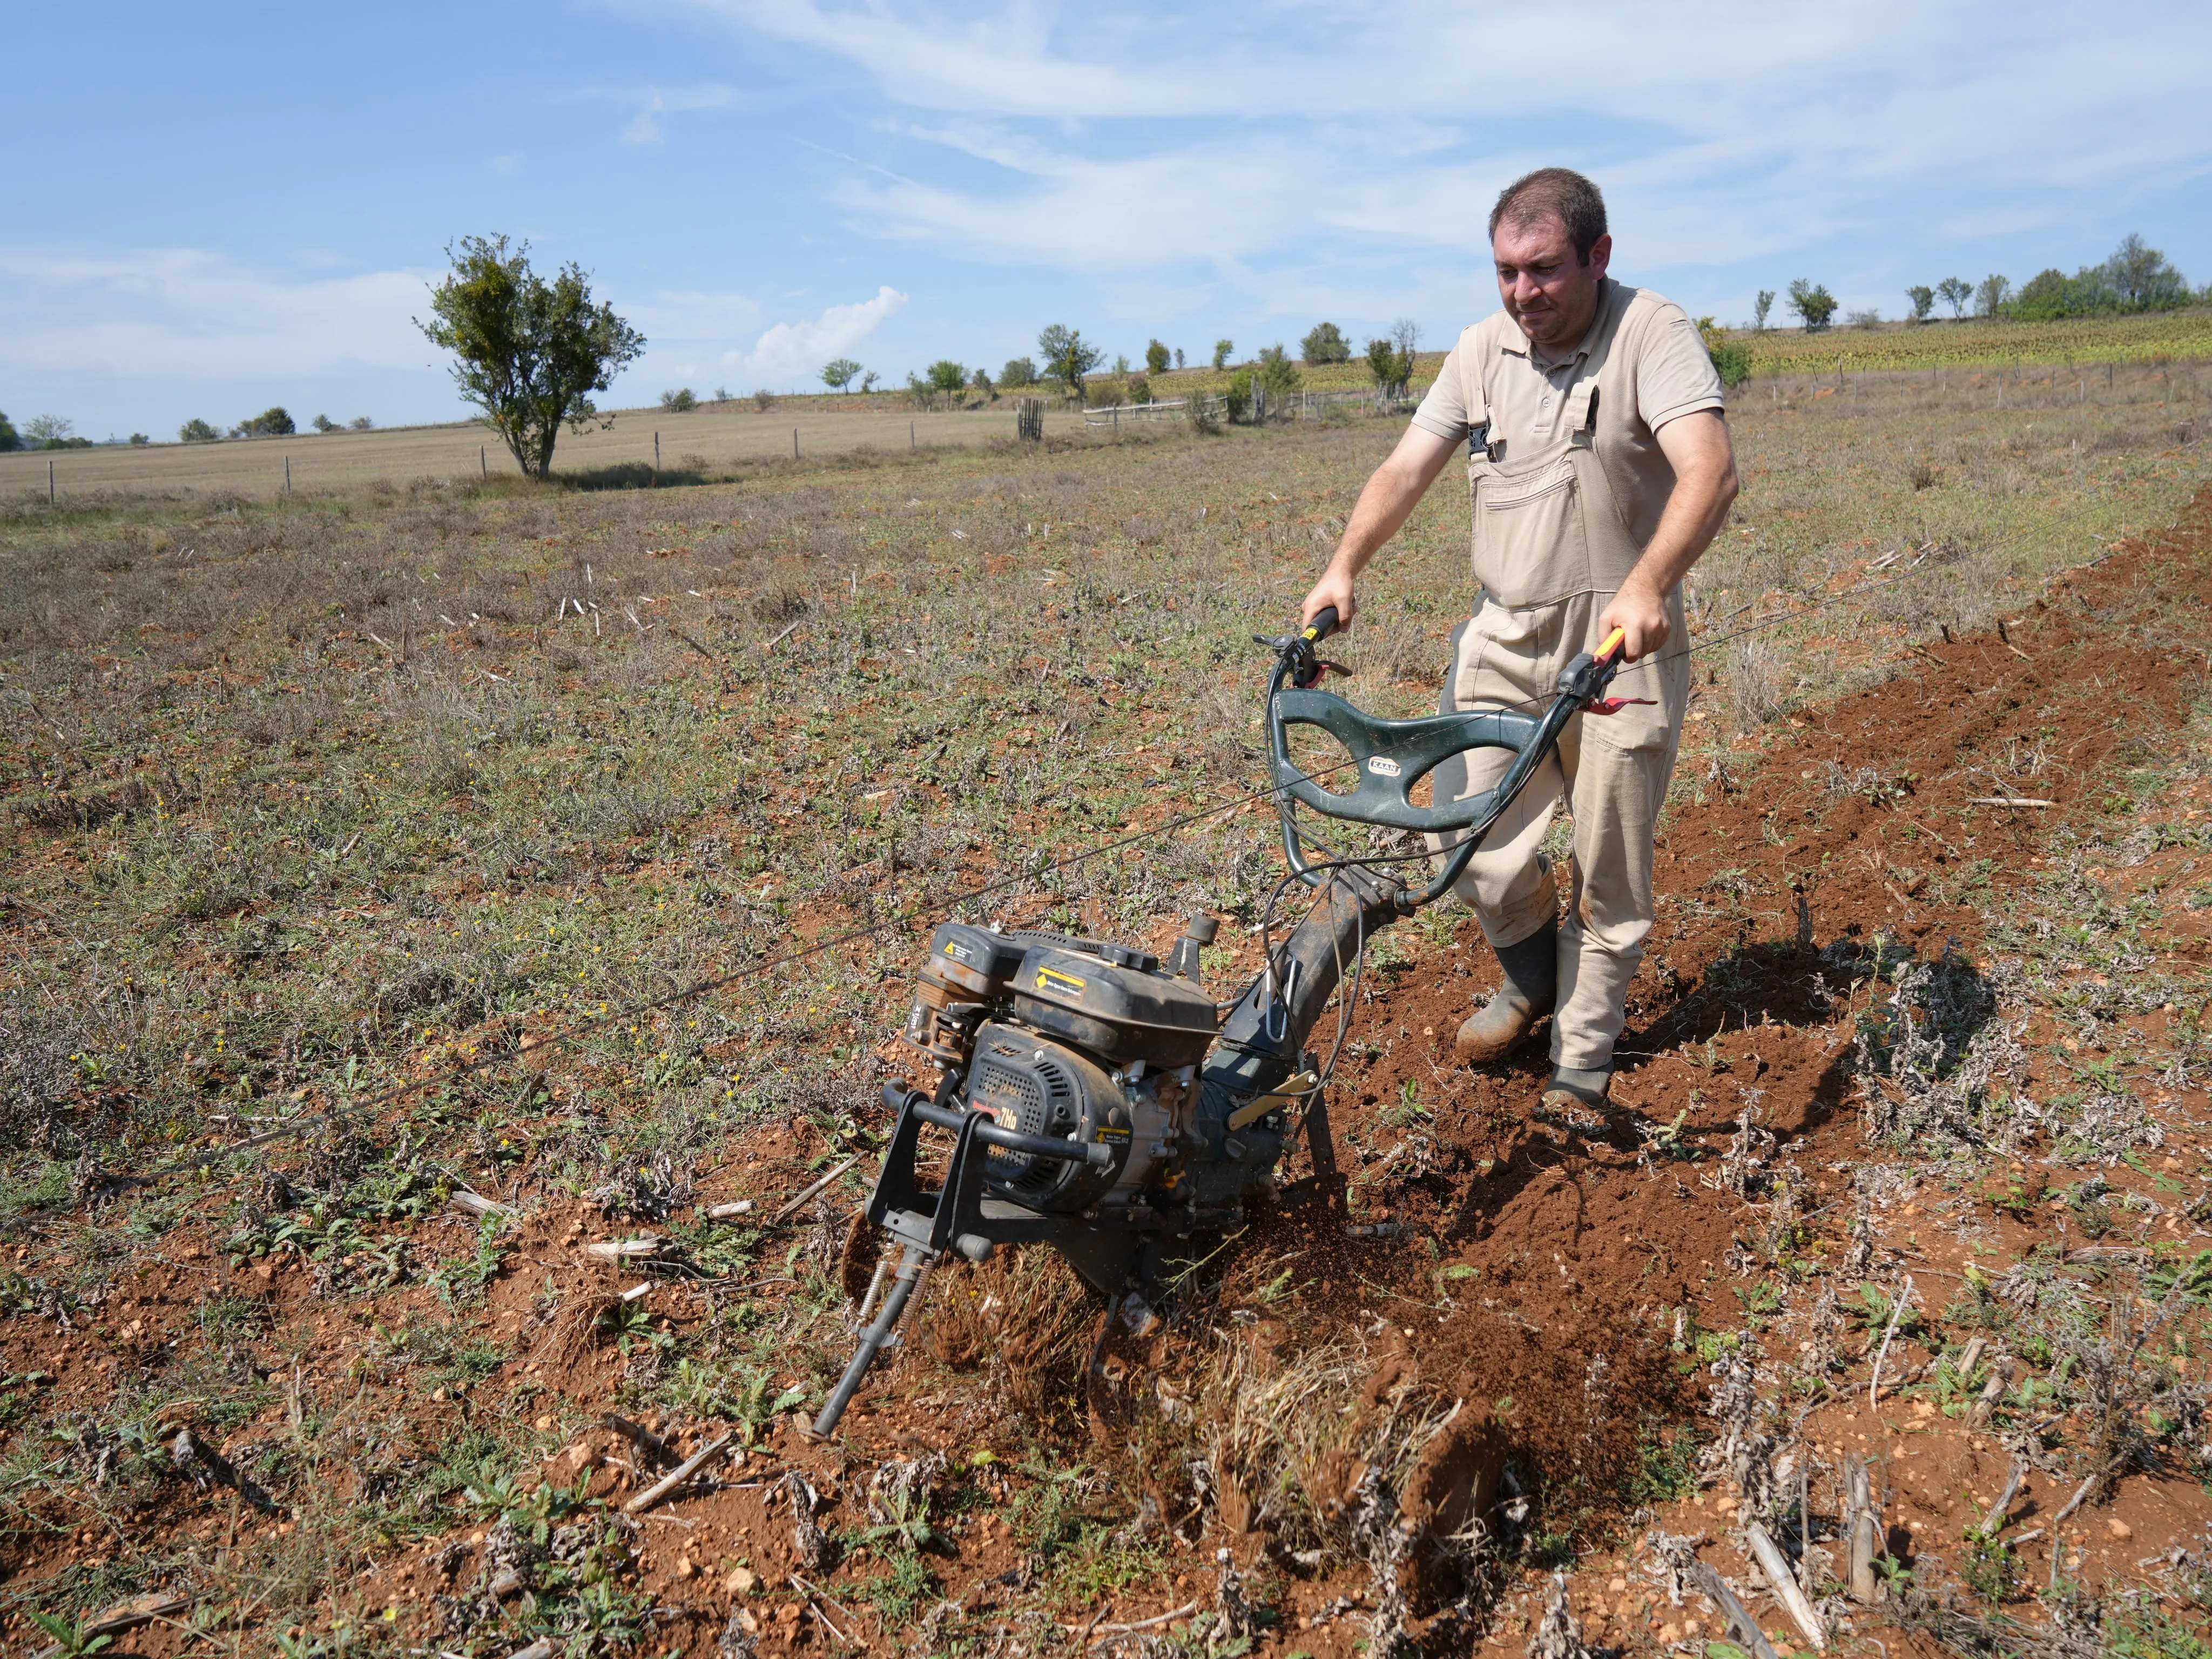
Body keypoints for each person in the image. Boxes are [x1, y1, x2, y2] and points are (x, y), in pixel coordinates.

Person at [1298, 166, 1738, 1113]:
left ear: (1598, 257)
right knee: (1468, 841)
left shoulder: (1650, 332)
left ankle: (1580, 1065)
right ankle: (1535, 977)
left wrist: (1650, 583)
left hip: (1622, 642)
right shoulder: (1481, 351)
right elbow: (1406, 466)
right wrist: (1345, 566)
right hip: (1505, 639)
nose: (1521, 293)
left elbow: (1711, 472)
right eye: (1505, 271)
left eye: (1542, 271)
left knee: (1610, 871)